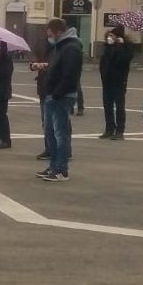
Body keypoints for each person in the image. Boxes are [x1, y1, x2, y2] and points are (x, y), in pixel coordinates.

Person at [37, 18, 82, 182]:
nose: (48, 35)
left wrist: (57, 93)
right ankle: (53, 167)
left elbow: (70, 74)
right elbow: (57, 69)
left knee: (59, 134)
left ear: (58, 31)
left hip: (61, 96)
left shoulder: (71, 47)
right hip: (53, 95)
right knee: (51, 133)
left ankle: (61, 170)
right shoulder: (61, 46)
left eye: (49, 32)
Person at [99, 26, 134, 140]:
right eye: (109, 36)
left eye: (112, 36)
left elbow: (122, 60)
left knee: (119, 106)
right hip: (107, 82)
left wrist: (120, 46)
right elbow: (104, 63)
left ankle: (120, 131)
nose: (110, 38)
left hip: (119, 81)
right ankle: (109, 128)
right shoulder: (107, 47)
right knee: (107, 106)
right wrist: (103, 75)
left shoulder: (126, 48)